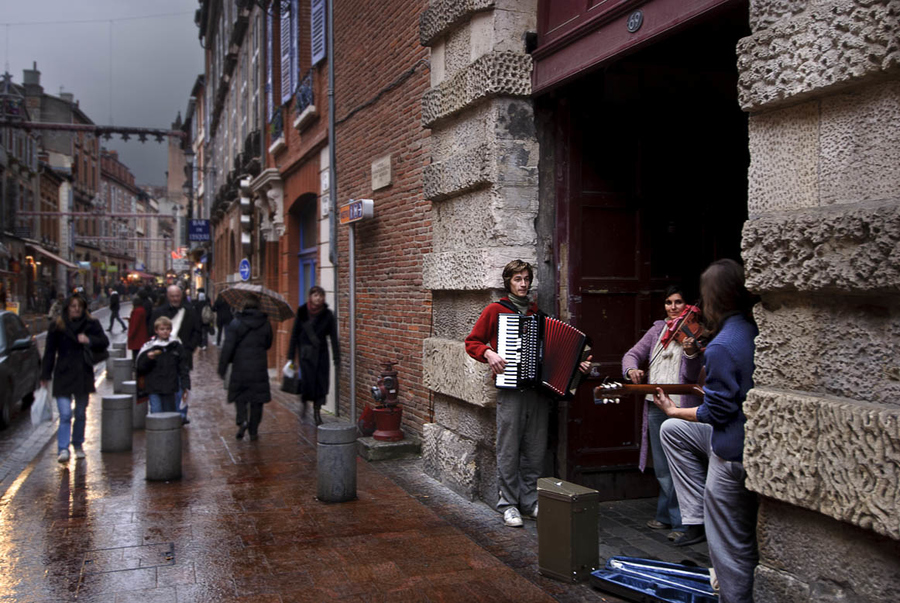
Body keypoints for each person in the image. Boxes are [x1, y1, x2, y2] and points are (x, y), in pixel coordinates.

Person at [654, 259, 759, 603]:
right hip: (751, 438)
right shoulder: (750, 329)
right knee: (673, 431)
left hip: (731, 449)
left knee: (728, 546)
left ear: (715, 299)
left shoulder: (722, 345)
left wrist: (674, 408)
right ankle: (695, 515)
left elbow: (718, 411)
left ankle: (732, 596)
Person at [465, 260, 591, 527]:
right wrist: (489, 353)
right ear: (508, 282)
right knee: (509, 448)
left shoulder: (539, 316)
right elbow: (472, 342)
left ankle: (530, 501)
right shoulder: (496, 310)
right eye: (517, 279)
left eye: (526, 279)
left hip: (538, 392)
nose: (523, 284)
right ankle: (508, 503)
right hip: (511, 391)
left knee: (535, 449)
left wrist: (576, 364)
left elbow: (558, 357)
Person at [622, 285, 704, 544]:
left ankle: (684, 521)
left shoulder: (693, 332)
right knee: (662, 466)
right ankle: (667, 514)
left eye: (679, 302)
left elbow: (693, 374)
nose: (673, 307)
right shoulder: (658, 330)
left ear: (687, 305)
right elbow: (632, 354)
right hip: (655, 403)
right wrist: (631, 370)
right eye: (669, 302)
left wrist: (691, 352)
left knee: (681, 465)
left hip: (681, 404)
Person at [40, 293, 109, 463]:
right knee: (64, 414)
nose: (76, 309)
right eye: (73, 306)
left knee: (80, 412)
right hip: (63, 373)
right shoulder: (57, 326)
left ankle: (77, 444)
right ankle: (63, 448)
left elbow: (104, 342)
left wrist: (89, 339)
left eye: (79, 306)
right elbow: (49, 352)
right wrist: (45, 375)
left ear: (83, 308)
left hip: (83, 372)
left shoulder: (91, 324)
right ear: (67, 308)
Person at [218, 294, 273, 440]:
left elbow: (228, 347)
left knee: (240, 396)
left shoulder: (236, 323)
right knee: (257, 400)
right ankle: (253, 429)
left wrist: (223, 367)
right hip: (259, 367)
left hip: (240, 366)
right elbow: (268, 344)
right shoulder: (266, 323)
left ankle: (242, 420)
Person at [287, 286, 341, 426]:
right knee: (307, 383)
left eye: (321, 295)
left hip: (321, 354)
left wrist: (336, 357)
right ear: (310, 296)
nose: (319, 298)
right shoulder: (302, 312)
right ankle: (304, 403)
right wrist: (291, 356)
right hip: (306, 355)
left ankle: (317, 412)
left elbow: (333, 337)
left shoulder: (328, 314)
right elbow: (294, 335)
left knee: (321, 384)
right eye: (316, 295)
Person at [151, 285, 201, 424]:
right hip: (163, 356)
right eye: (172, 296)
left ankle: (182, 415)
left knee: (182, 385)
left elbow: (197, 331)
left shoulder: (190, 311)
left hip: (183, 355)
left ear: (181, 295)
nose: (175, 299)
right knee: (167, 385)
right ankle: (169, 414)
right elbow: (151, 331)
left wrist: (189, 348)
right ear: (168, 296)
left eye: (177, 296)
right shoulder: (159, 312)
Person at [136, 316, 191, 414]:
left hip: (169, 387)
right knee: (156, 412)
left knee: (169, 414)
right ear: (156, 330)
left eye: (167, 329)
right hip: (153, 387)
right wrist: (148, 358)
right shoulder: (149, 346)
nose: (165, 331)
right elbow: (140, 367)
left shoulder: (176, 346)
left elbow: (183, 367)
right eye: (162, 329)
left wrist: (185, 385)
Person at [127, 289, 151, 364]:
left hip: (137, 337)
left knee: (136, 354)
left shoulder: (137, 311)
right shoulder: (142, 309)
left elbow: (135, 324)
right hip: (142, 335)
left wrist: (130, 335)